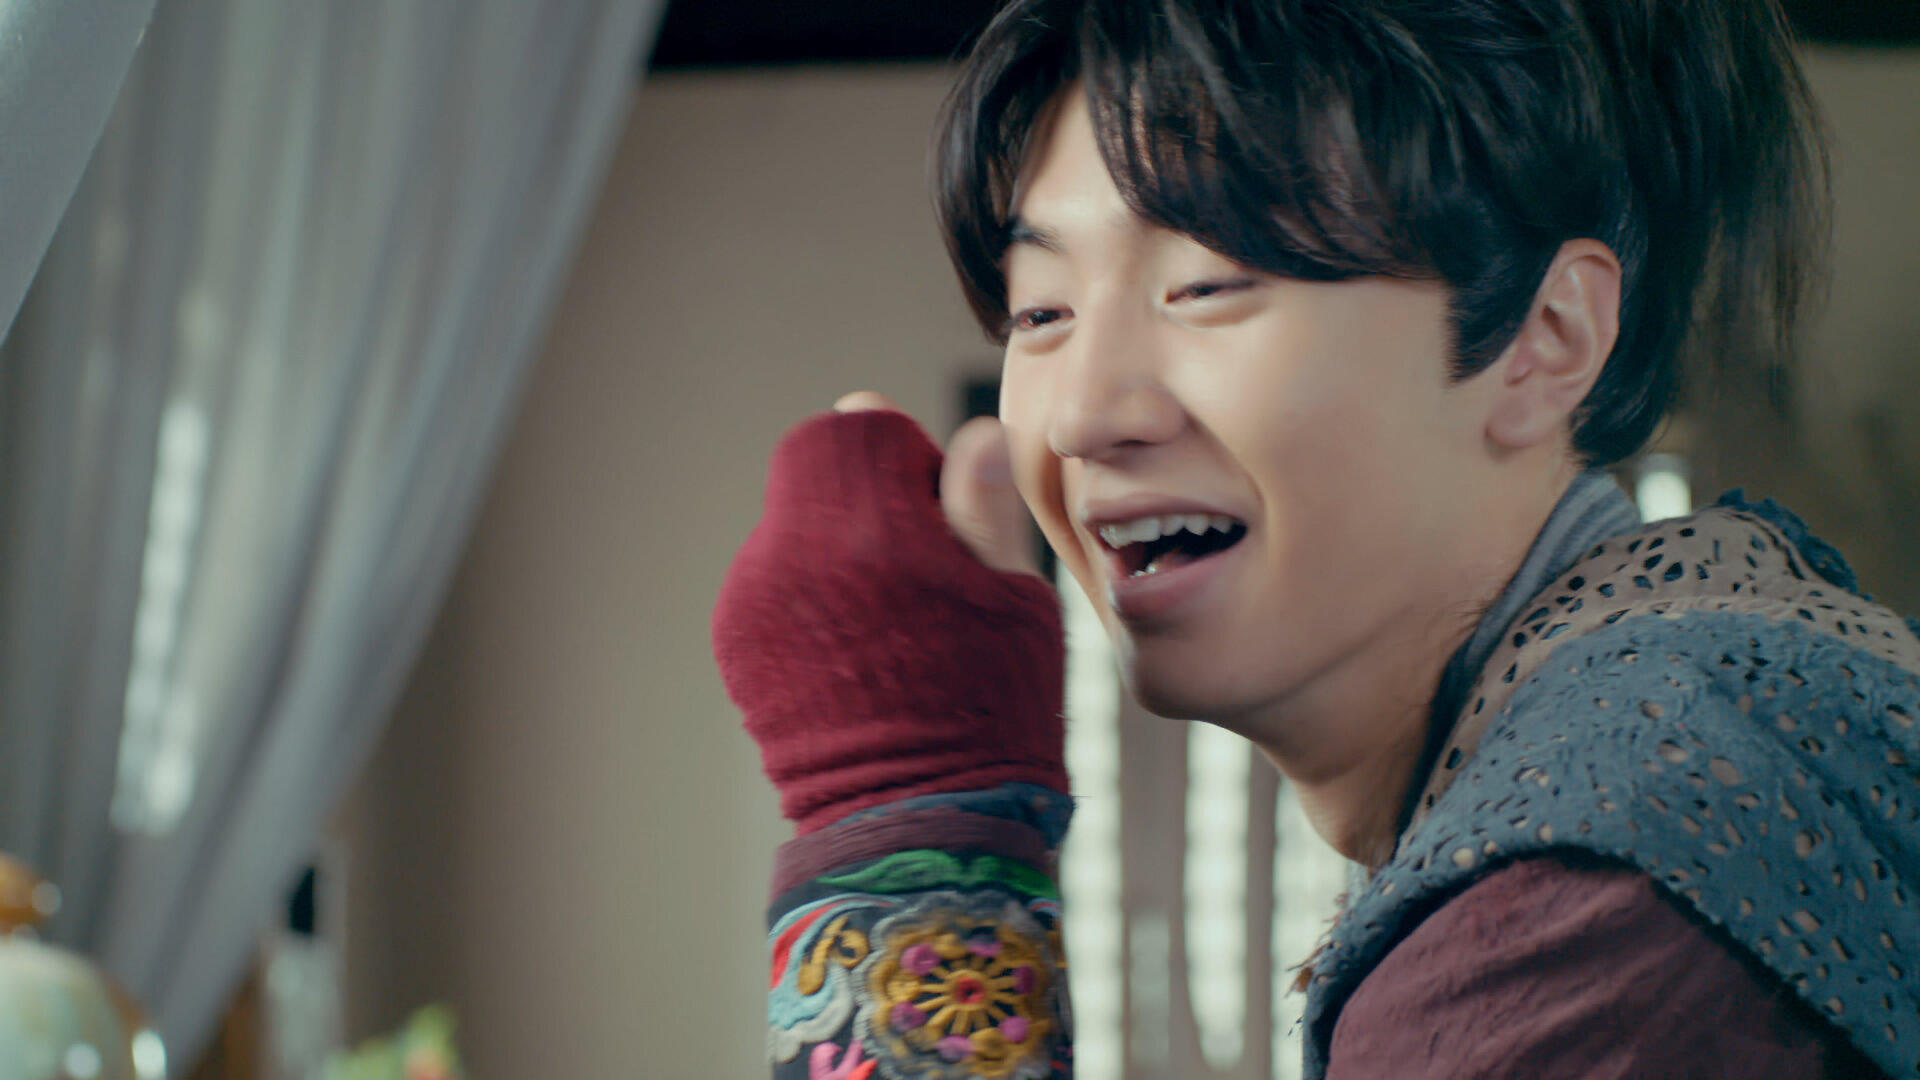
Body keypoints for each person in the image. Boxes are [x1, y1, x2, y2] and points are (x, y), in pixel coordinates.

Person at [712, 0, 1920, 1076]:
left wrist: (906, 805)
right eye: (1042, 311)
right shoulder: (1689, 705)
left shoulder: (1588, 896)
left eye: (1207, 284)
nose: (1081, 416)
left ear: (1545, 339)